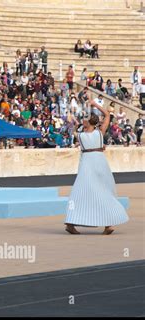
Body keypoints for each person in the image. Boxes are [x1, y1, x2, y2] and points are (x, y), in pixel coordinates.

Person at [64, 98, 129, 235]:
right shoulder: (100, 132)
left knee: (81, 192)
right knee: (104, 191)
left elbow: (73, 120)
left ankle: (72, 223)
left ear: (87, 123)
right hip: (99, 162)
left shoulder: (80, 135)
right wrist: (95, 105)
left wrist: (87, 107)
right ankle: (107, 225)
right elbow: (107, 115)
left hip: (87, 163)